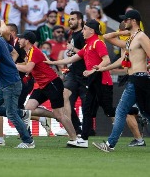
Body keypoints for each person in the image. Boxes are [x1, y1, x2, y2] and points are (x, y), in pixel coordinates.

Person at [45, 19, 115, 148]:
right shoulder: (88, 45)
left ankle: (129, 112)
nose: (82, 31)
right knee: (87, 110)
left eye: (84, 29)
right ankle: (83, 139)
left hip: (102, 81)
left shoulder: (97, 43)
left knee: (108, 111)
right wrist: (52, 63)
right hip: (93, 81)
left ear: (91, 30)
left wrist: (92, 70)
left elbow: (107, 60)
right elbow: (72, 58)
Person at [93, 10, 150, 152]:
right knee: (147, 113)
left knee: (121, 110)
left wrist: (145, 68)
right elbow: (107, 38)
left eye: (126, 20)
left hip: (139, 79)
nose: (124, 22)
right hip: (136, 78)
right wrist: (103, 68)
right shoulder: (131, 38)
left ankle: (110, 144)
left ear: (134, 21)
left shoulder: (141, 37)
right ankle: (110, 144)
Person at [16, 31, 79, 147]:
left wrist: (12, 65)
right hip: (43, 85)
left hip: (52, 83)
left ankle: (74, 139)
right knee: (27, 109)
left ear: (27, 40)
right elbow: (30, 70)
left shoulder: (34, 51)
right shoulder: (29, 52)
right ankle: (47, 118)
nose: (18, 40)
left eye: (20, 38)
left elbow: (27, 68)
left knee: (60, 115)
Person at [0, 16, 34, 148]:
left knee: (11, 113)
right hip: (6, 81)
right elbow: (14, 52)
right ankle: (23, 113)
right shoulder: (0, 40)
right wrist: (9, 64)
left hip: (10, 82)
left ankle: (28, 141)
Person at [55, 11, 87, 136]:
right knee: (64, 96)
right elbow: (75, 53)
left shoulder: (83, 35)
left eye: (73, 19)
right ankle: (71, 127)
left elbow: (86, 53)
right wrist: (71, 53)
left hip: (84, 73)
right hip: (73, 72)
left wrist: (72, 49)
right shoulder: (73, 34)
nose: (70, 21)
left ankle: (85, 129)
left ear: (79, 21)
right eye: (69, 19)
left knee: (88, 105)